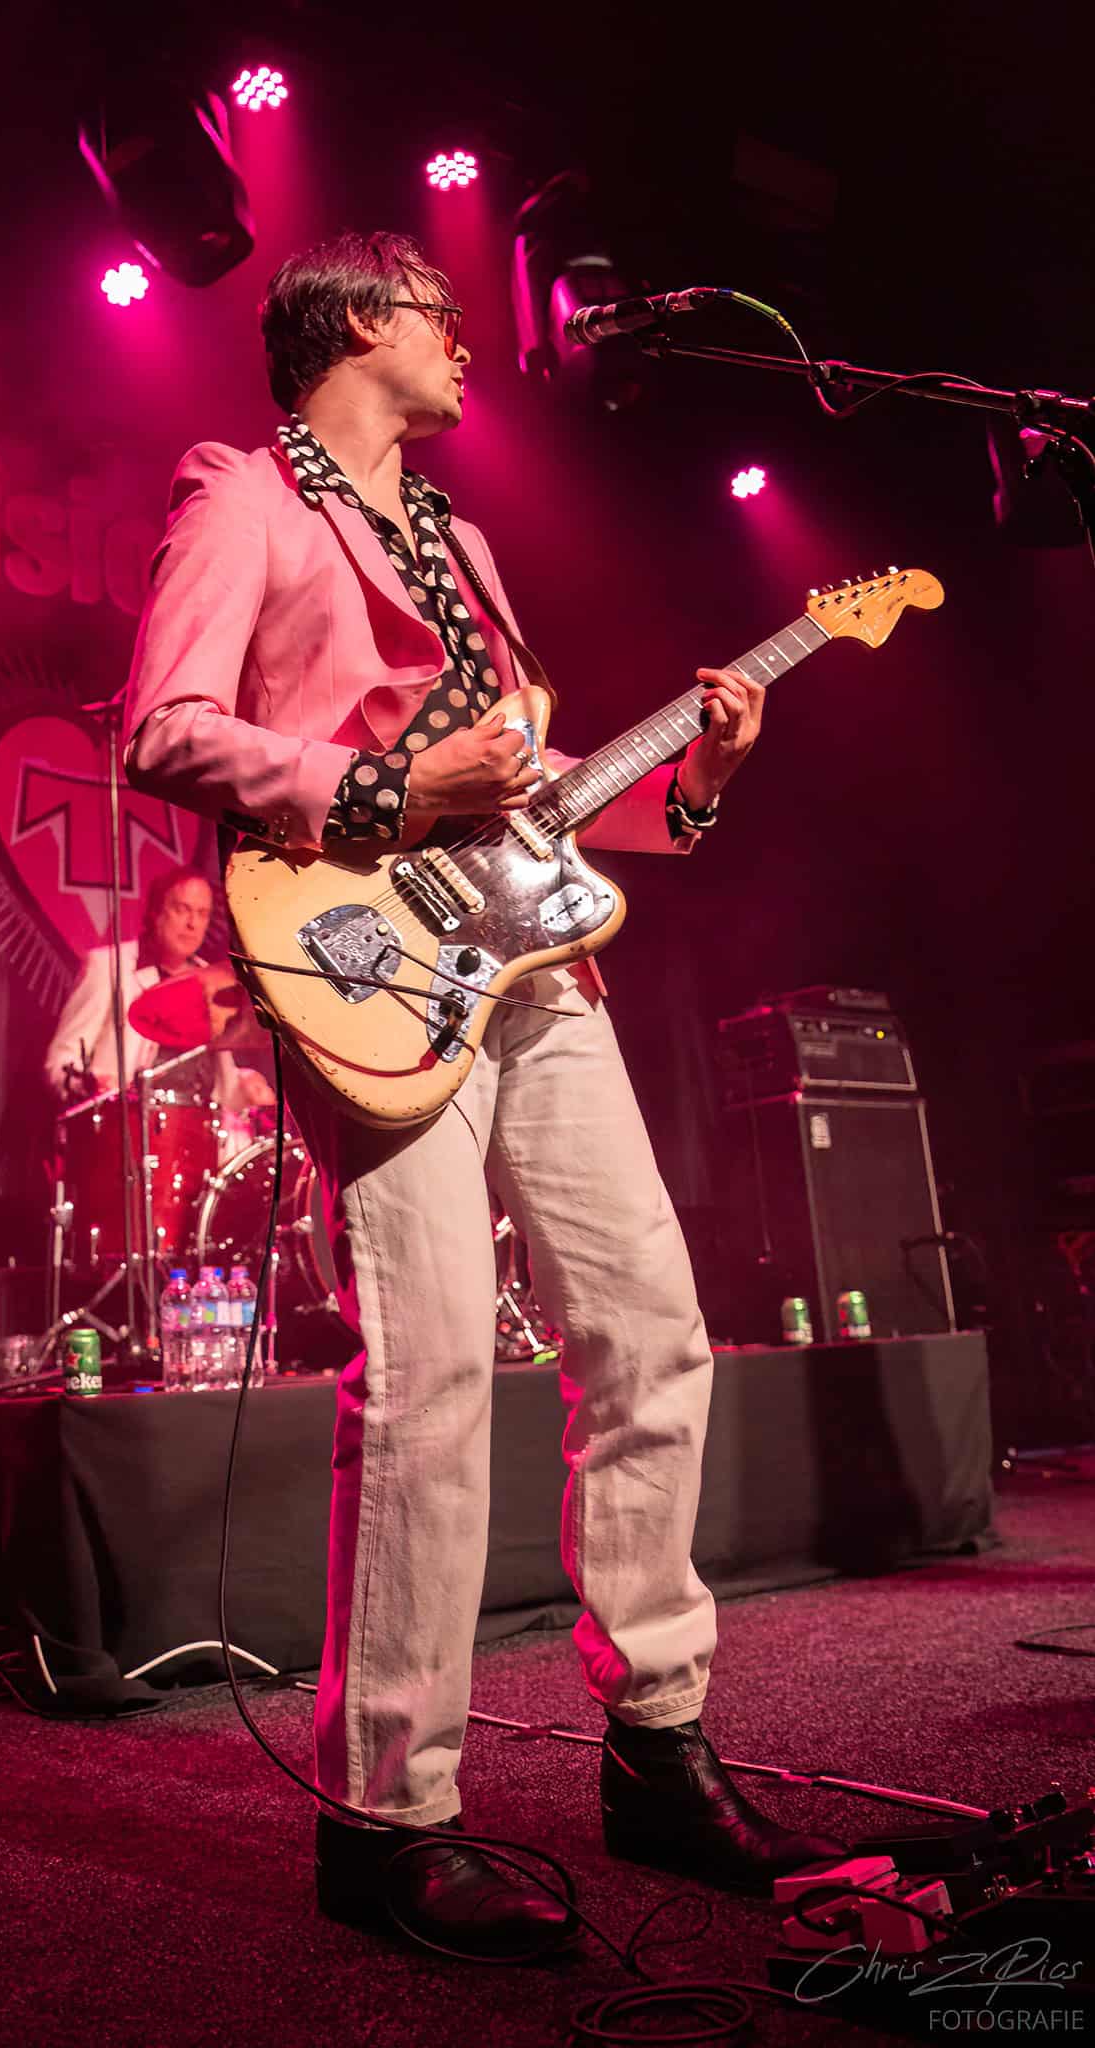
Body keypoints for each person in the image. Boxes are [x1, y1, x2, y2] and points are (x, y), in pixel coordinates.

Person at [122, 232, 843, 1961]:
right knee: (432, 1372)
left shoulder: (462, 542)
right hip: (364, 965)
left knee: (650, 1328)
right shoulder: (245, 498)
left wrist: (690, 781)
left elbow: (520, 795)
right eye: (445, 316)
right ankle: (386, 1818)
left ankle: (656, 1747)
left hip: (531, 970)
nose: (469, 346)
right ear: (362, 320)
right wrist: (386, 785)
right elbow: (162, 728)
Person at [44, 864, 273, 1115]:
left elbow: (224, 1088)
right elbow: (61, 1062)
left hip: (201, 1127)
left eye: (202, 913)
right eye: (182, 909)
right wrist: (91, 1085)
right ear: (156, 912)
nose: (192, 924)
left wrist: (246, 1085)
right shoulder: (110, 967)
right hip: (127, 1126)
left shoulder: (216, 983)